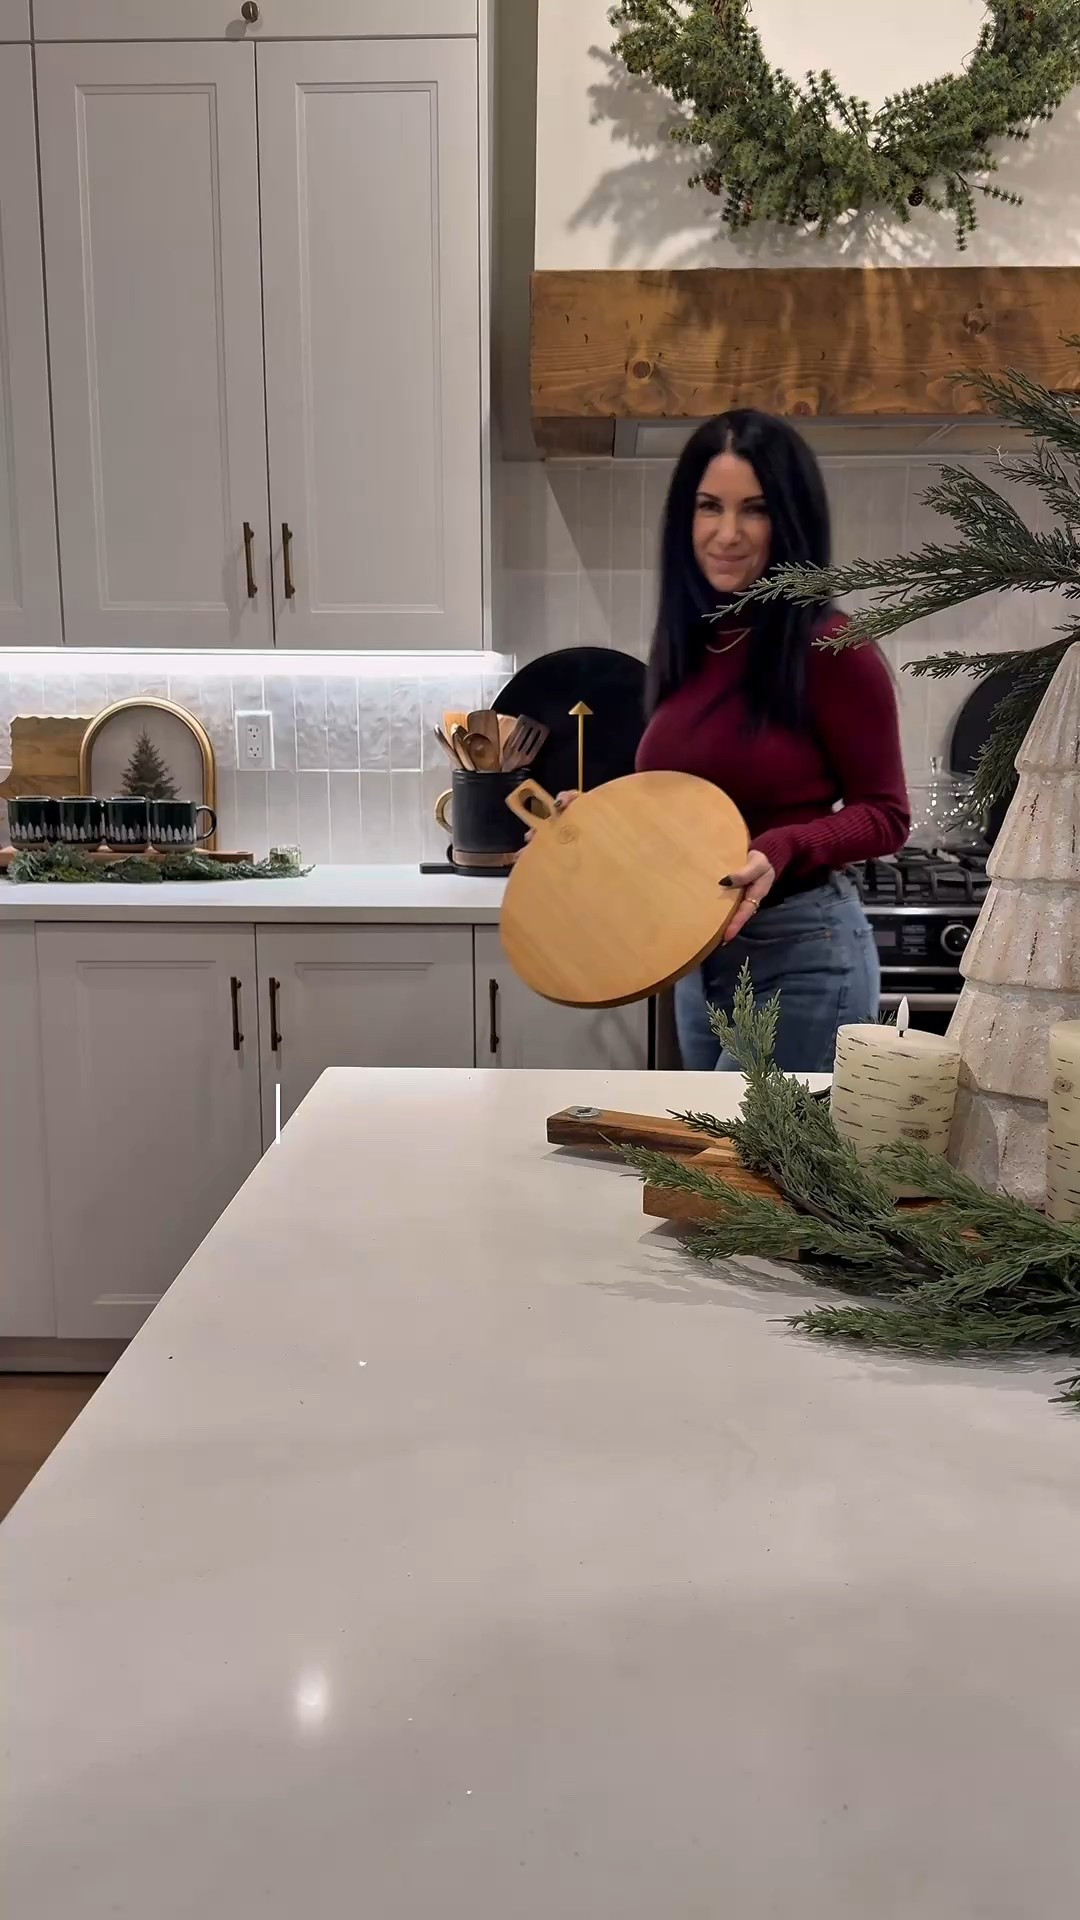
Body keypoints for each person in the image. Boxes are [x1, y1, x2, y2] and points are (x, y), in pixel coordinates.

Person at [630, 410, 909, 1072]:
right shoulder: (694, 640)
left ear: (788, 520)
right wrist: (598, 823)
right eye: (709, 506)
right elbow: (691, 800)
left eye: (753, 510)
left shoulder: (830, 647)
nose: (726, 534)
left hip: (802, 952)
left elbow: (888, 814)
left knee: (759, 1170)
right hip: (700, 953)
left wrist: (782, 847)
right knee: (715, 1170)